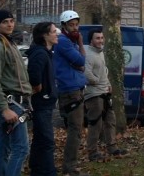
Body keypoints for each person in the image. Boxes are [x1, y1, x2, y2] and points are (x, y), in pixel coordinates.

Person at [0, 9, 32, 176]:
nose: (10, 24)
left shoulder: (7, 42)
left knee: (4, 148)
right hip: (10, 104)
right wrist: (4, 108)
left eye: (11, 20)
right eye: (5, 22)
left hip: (14, 102)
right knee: (21, 148)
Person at [53, 10, 87, 176]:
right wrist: (81, 43)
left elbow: (80, 65)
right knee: (75, 129)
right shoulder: (65, 42)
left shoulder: (68, 41)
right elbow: (81, 61)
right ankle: (70, 167)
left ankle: (71, 164)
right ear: (64, 26)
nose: (75, 28)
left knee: (76, 128)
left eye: (76, 24)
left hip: (75, 88)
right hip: (70, 90)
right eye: (71, 25)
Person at [84, 28, 124, 161]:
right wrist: (97, 82)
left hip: (105, 93)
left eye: (102, 38)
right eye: (97, 38)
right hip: (94, 95)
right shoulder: (88, 54)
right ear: (91, 40)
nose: (101, 40)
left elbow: (103, 71)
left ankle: (112, 147)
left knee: (110, 120)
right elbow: (86, 74)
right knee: (95, 124)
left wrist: (108, 84)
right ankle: (92, 152)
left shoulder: (100, 53)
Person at [26, 22, 59, 176]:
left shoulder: (46, 53)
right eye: (53, 31)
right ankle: (47, 171)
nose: (56, 34)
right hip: (41, 103)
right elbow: (34, 76)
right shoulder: (40, 53)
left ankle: (37, 169)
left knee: (40, 138)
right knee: (46, 140)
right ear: (45, 35)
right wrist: (40, 88)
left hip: (46, 102)